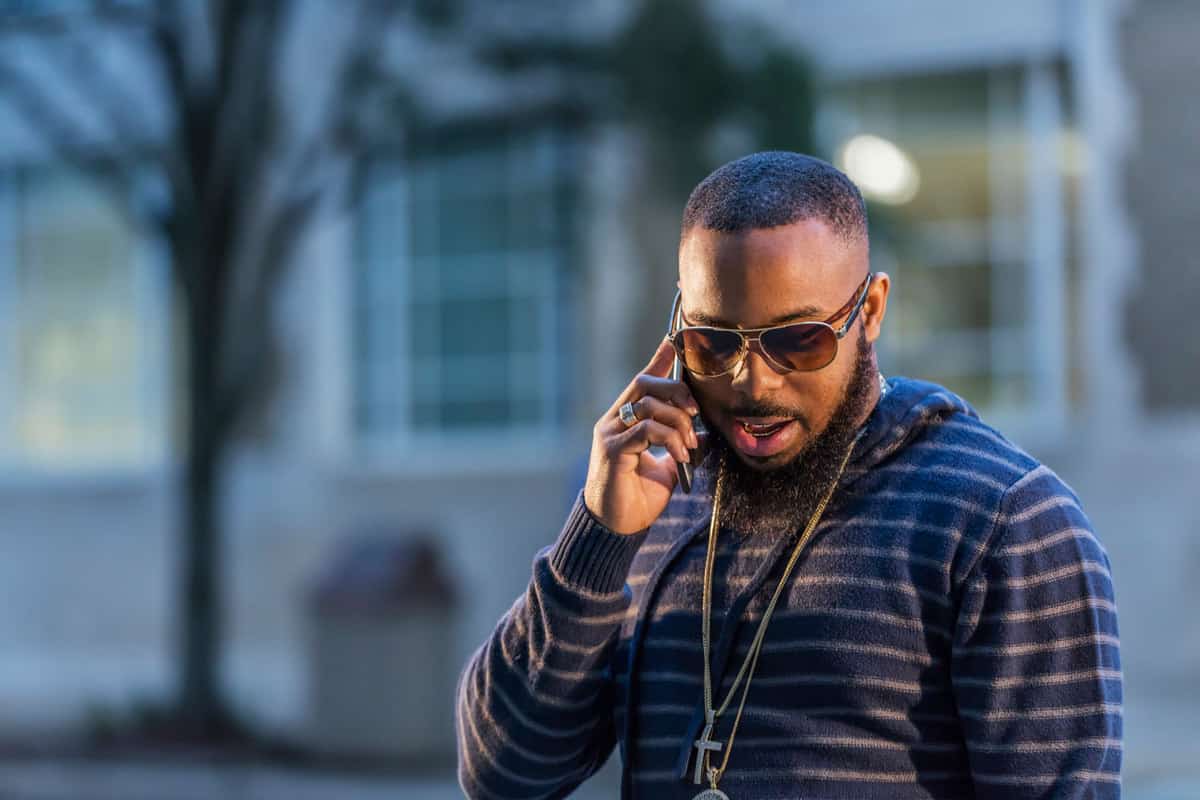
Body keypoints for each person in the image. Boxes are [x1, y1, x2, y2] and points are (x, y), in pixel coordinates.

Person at [455, 151, 1121, 799]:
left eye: (798, 339)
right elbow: (503, 776)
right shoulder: (658, 494)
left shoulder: (1002, 523)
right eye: (713, 341)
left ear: (870, 311)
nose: (753, 383)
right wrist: (598, 538)